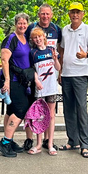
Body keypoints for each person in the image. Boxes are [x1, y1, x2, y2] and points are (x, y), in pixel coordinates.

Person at [0, 13, 42, 157]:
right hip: (12, 80)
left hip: (22, 81)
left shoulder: (25, 39)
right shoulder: (11, 39)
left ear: (27, 24)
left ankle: (8, 141)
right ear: (15, 24)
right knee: (20, 110)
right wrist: (8, 81)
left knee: (11, 111)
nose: (22, 26)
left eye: (24, 23)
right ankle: (5, 142)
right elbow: (4, 60)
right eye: (19, 23)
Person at [58, 2, 88, 158]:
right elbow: (61, 49)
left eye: (78, 12)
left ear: (83, 14)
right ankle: (72, 140)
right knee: (68, 108)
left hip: (80, 74)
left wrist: (85, 55)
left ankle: (85, 145)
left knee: (81, 108)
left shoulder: (87, 29)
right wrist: (60, 69)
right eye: (72, 12)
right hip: (66, 73)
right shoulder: (64, 30)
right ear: (69, 14)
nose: (75, 15)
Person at [24, 3, 62, 151]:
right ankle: (32, 140)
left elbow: (60, 51)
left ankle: (48, 142)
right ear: (39, 15)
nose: (45, 16)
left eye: (48, 14)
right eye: (42, 14)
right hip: (38, 79)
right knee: (38, 111)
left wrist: (59, 67)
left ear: (51, 15)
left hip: (51, 80)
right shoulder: (31, 28)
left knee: (51, 113)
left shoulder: (56, 29)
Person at [28, 27, 60, 156]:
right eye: (35, 38)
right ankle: (39, 143)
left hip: (51, 87)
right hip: (40, 88)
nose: (38, 39)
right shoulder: (33, 53)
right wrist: (36, 81)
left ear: (44, 37)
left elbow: (58, 67)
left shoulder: (51, 50)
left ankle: (50, 144)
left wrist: (55, 59)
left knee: (51, 115)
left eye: (39, 36)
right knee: (39, 116)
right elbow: (32, 70)